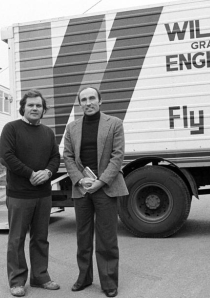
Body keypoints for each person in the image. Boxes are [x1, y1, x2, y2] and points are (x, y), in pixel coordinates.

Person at [63, 86, 128, 297]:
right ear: (79, 103)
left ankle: (109, 282)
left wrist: (100, 182)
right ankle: (84, 277)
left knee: (107, 238)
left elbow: (118, 157)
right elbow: (68, 157)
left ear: (100, 101)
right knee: (83, 236)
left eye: (92, 98)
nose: (88, 102)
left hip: (105, 188)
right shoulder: (72, 127)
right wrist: (80, 180)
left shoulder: (114, 124)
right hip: (82, 189)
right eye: (84, 99)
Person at [0, 89, 61, 297]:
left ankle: (40, 277)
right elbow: (7, 156)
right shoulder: (11, 129)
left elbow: (55, 157)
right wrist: (31, 174)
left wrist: (48, 172)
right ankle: (17, 281)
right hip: (19, 195)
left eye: (38, 105)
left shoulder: (48, 132)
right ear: (23, 108)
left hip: (43, 195)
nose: (35, 108)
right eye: (31, 105)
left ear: (43, 109)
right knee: (16, 239)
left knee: (40, 238)